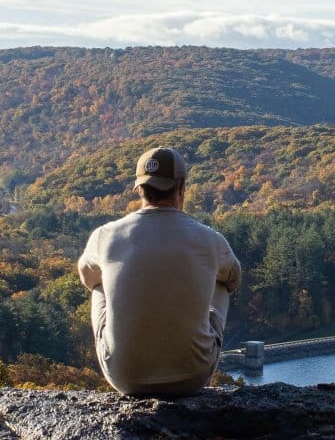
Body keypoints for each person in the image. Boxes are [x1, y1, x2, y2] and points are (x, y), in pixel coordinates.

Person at [77, 146, 241, 397]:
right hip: (192, 376)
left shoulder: (105, 236)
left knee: (100, 285)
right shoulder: (210, 239)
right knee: (220, 283)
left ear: (139, 189)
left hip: (125, 377)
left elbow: (87, 279)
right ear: (182, 187)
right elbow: (234, 278)